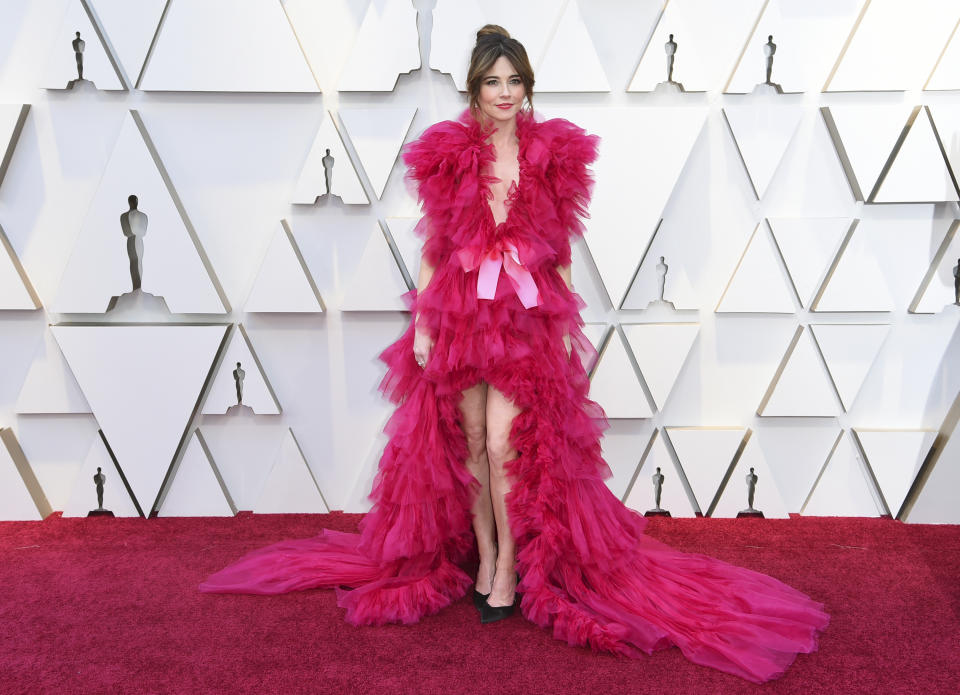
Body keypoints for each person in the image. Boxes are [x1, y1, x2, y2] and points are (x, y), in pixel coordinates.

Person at [199, 25, 828, 683]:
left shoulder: (551, 154)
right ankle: (487, 552)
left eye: (515, 81)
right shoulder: (449, 154)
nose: (505, 92)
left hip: (525, 316)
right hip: (460, 311)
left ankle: (506, 571)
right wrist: (422, 324)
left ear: (528, 86)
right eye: (493, 82)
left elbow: (561, 247)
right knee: (467, 438)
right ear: (475, 88)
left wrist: (563, 318)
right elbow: (436, 245)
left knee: (505, 444)